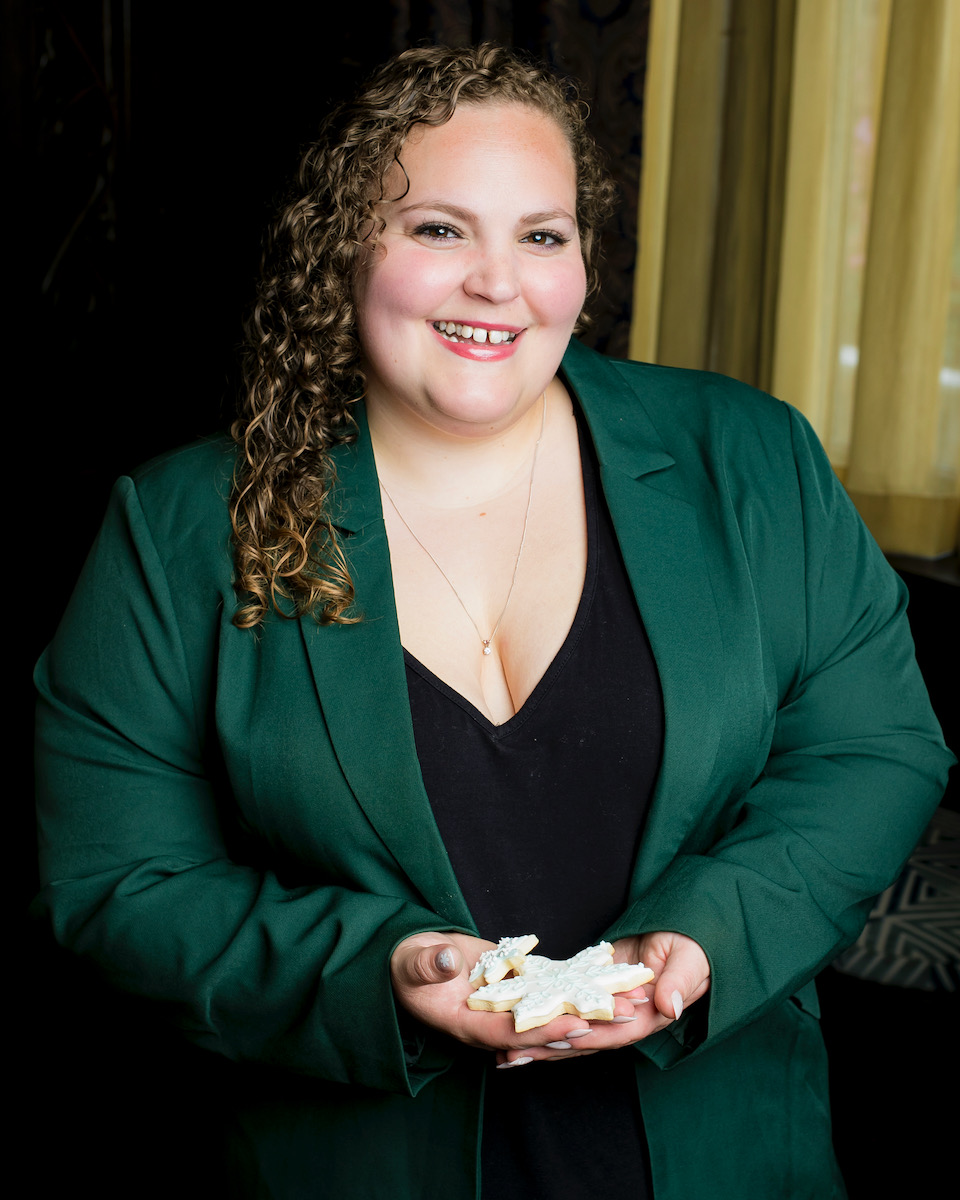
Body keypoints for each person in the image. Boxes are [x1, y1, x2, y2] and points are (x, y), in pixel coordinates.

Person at [35, 42, 952, 1200]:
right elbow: (119, 881)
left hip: (722, 1152)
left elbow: (873, 750)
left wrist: (708, 936)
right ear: (339, 249)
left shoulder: (751, 458)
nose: (498, 283)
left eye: (541, 235)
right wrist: (377, 970)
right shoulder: (175, 529)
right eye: (437, 230)